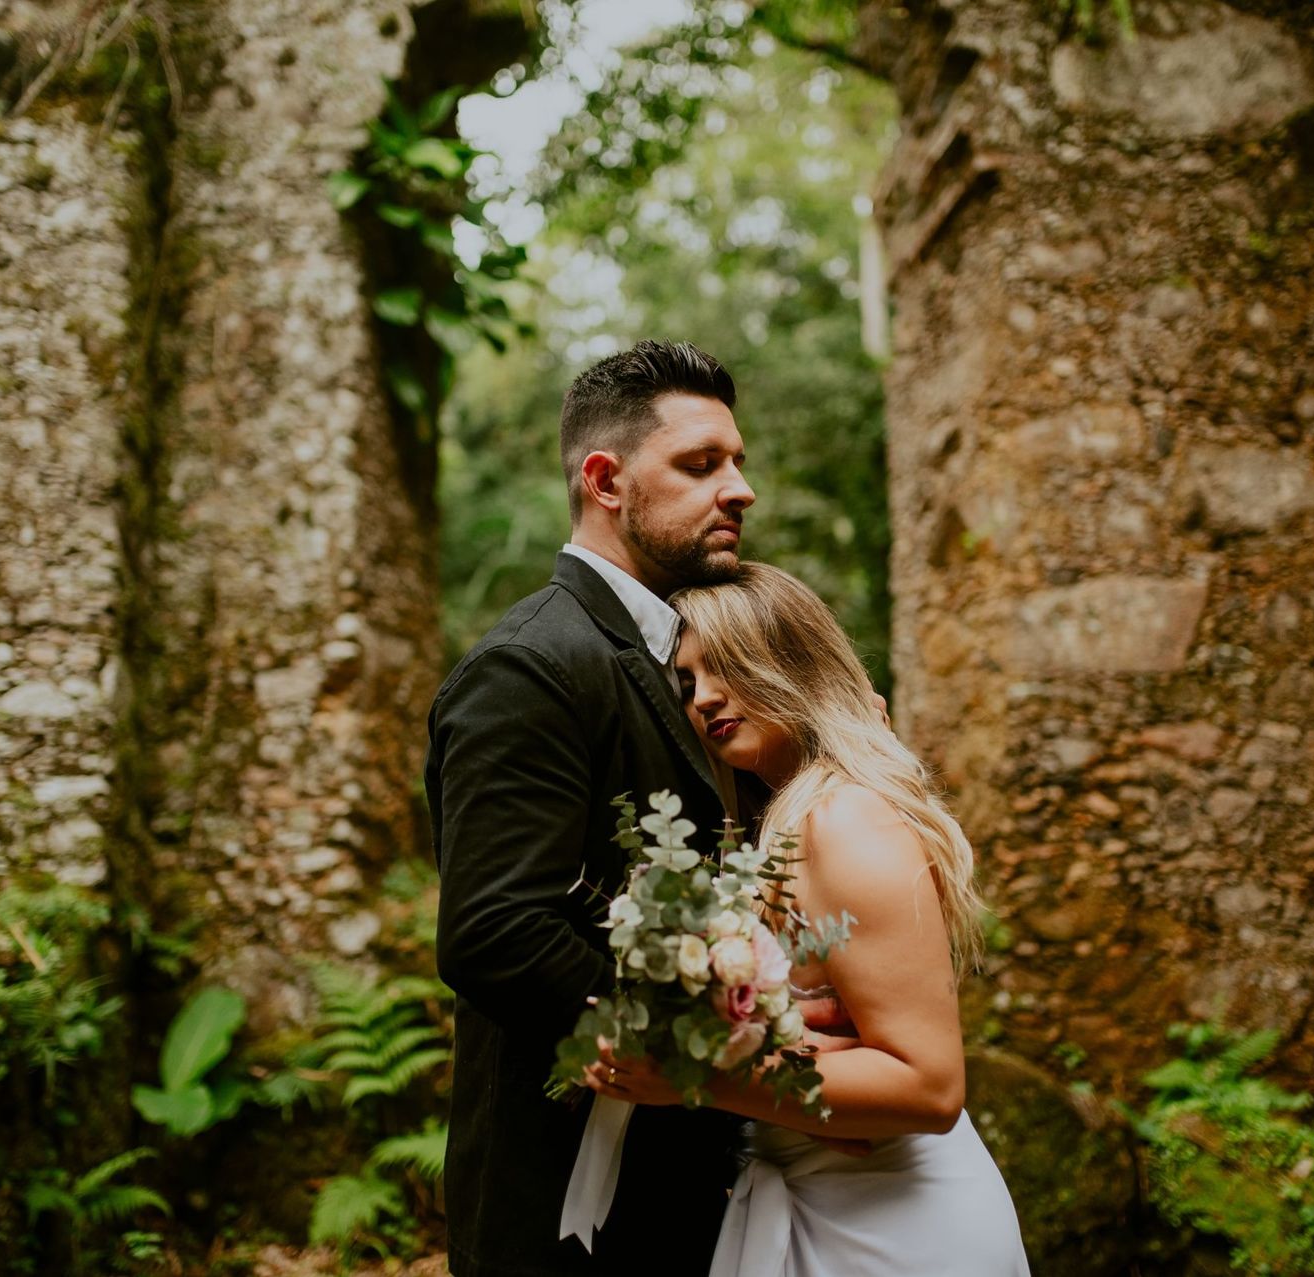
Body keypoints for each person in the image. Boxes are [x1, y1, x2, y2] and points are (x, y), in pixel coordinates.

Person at [582, 562, 1034, 1276]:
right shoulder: (785, 824)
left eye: (725, 664)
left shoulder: (844, 819)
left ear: (793, 661)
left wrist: (693, 1076)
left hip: (896, 1226)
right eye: (688, 681)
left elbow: (930, 1085)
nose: (704, 697)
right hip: (819, 1202)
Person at [428, 340, 763, 1276]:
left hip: (693, 1191)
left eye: (738, 462)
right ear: (606, 481)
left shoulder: (694, 658)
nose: (740, 490)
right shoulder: (530, 665)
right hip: (568, 1205)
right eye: (700, 463)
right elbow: (496, 929)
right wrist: (706, 1032)